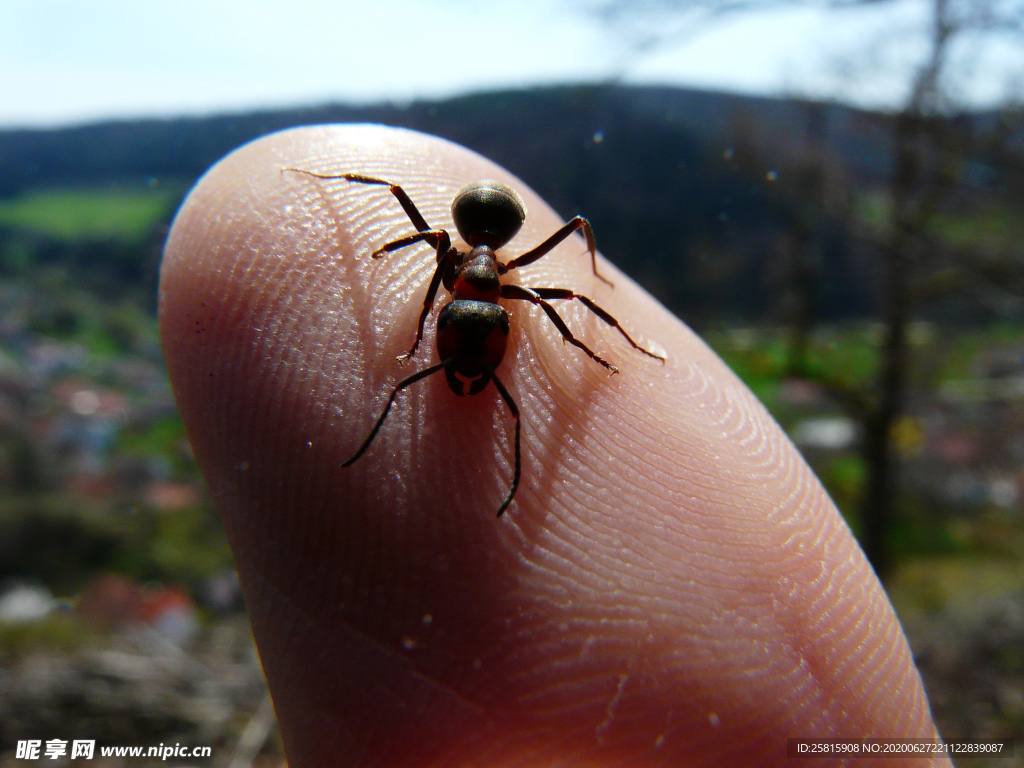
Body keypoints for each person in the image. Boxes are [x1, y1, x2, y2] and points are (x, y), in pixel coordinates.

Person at [160, 124, 948, 767]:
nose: (470, 346)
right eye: (463, 332)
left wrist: (604, 345)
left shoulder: (510, 287)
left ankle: (611, 336)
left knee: (566, 290)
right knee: (410, 210)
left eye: (474, 333)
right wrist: (401, 280)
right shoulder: (446, 261)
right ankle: (324, 184)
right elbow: (421, 253)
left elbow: (547, 301)